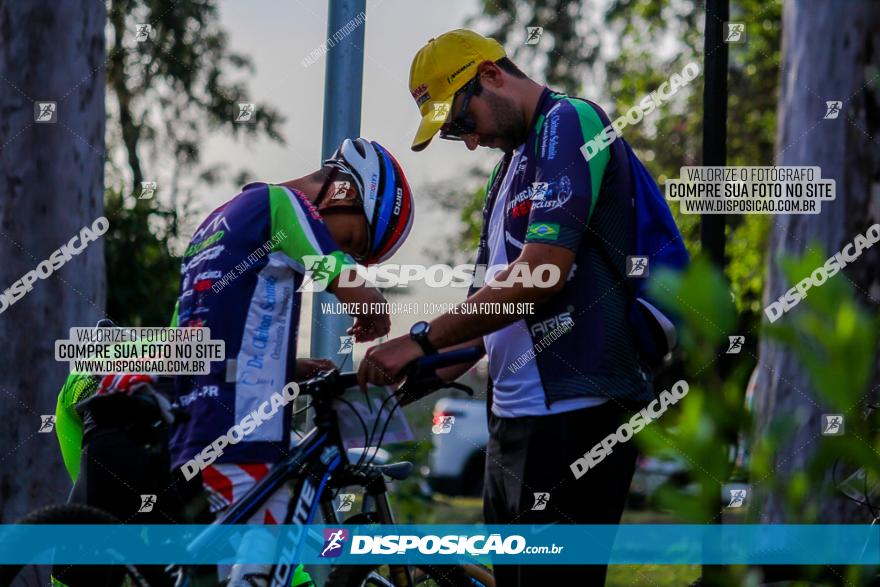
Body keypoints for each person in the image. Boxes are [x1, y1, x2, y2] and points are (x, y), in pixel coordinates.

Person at [358, 29, 653, 586]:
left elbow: (541, 274)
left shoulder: (569, 122)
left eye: (463, 123)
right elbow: (482, 312)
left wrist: (420, 341)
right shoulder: (506, 170)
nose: (469, 142)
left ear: (491, 75)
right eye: (451, 135)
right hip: (514, 422)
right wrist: (413, 367)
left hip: (577, 412)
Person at [54, 137, 415, 587]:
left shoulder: (219, 223)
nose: (343, 248)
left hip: (163, 423)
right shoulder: (277, 203)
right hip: (117, 407)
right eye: (355, 240)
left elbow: (192, 346)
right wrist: (365, 295)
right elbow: (330, 264)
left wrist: (286, 368)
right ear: (344, 193)